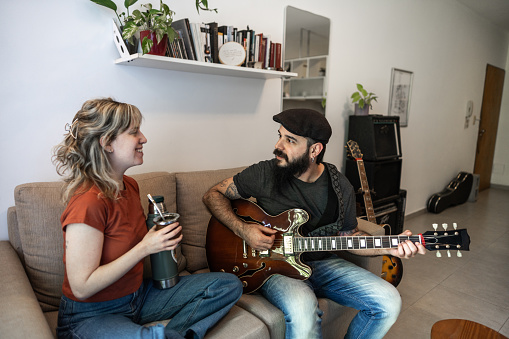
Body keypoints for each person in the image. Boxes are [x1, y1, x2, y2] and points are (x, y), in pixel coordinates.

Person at [202, 108, 426, 339]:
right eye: (279, 136)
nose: (278, 146)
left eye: (290, 140)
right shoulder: (265, 173)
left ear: (315, 150)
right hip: (274, 266)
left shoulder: (341, 187)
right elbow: (213, 194)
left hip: (322, 263)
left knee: (389, 301)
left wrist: (387, 247)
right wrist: (244, 230)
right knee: (302, 311)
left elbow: (348, 237)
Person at [53, 98, 242, 339]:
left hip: (138, 298)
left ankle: (171, 334)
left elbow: (130, 239)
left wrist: (161, 239)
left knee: (227, 285)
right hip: (91, 315)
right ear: (107, 142)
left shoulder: (129, 186)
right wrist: (145, 247)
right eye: (134, 132)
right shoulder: (88, 202)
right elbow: (81, 287)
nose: (143, 138)